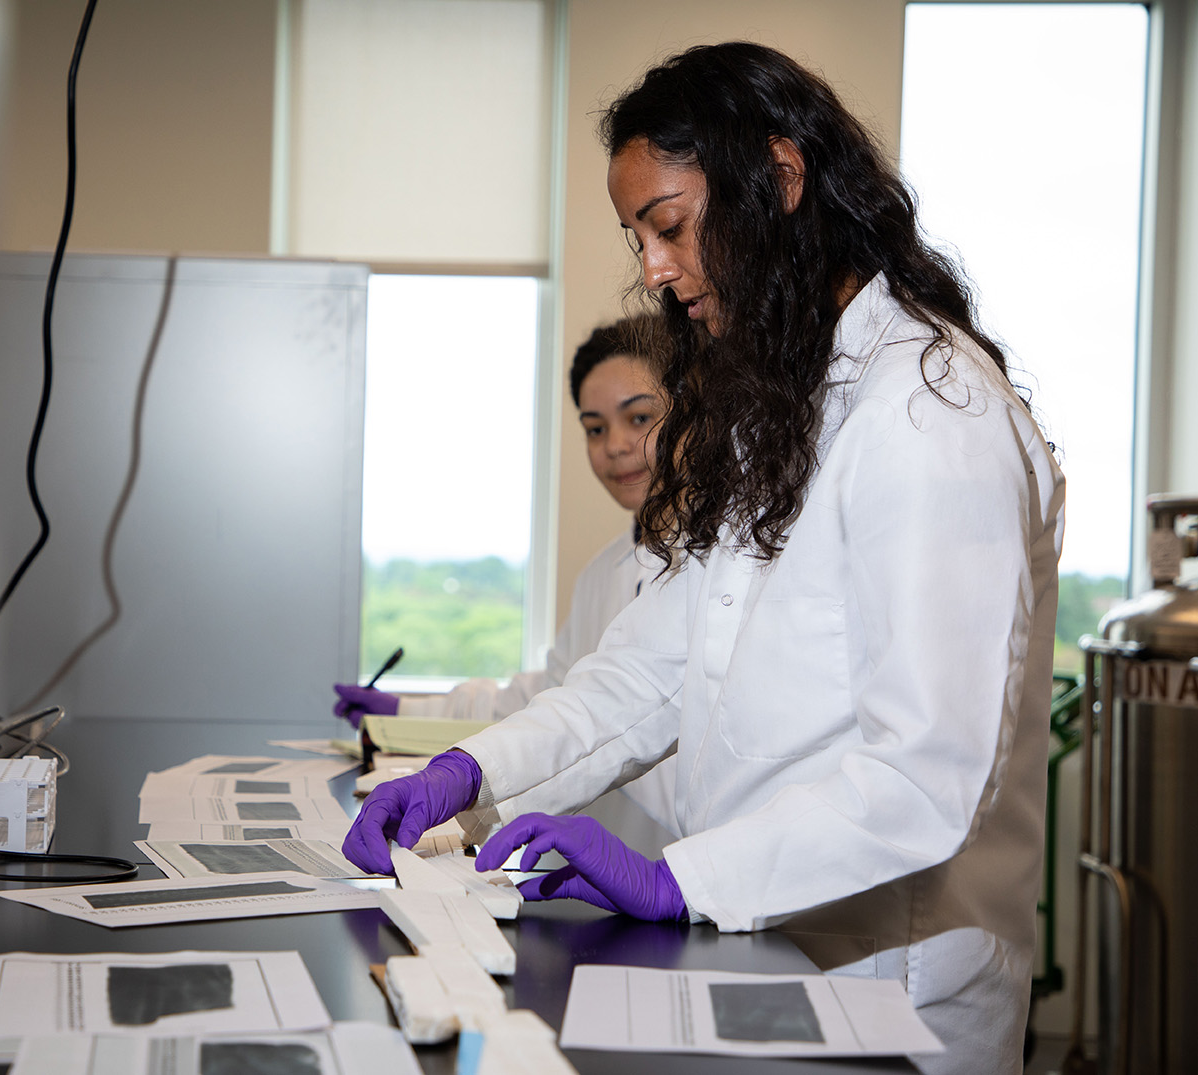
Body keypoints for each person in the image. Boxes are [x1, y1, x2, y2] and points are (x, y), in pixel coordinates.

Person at [341, 42, 1064, 1075]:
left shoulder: (924, 413)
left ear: (776, 179)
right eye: (635, 236)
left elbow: (922, 775)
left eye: (669, 226)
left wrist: (678, 878)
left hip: (886, 985)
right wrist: (469, 771)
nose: (651, 270)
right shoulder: (775, 400)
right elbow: (649, 669)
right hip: (763, 948)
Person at [332, 317, 669, 727]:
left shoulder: (729, 563)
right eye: (595, 429)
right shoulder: (601, 575)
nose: (614, 446)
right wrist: (406, 711)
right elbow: (552, 695)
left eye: (639, 418)